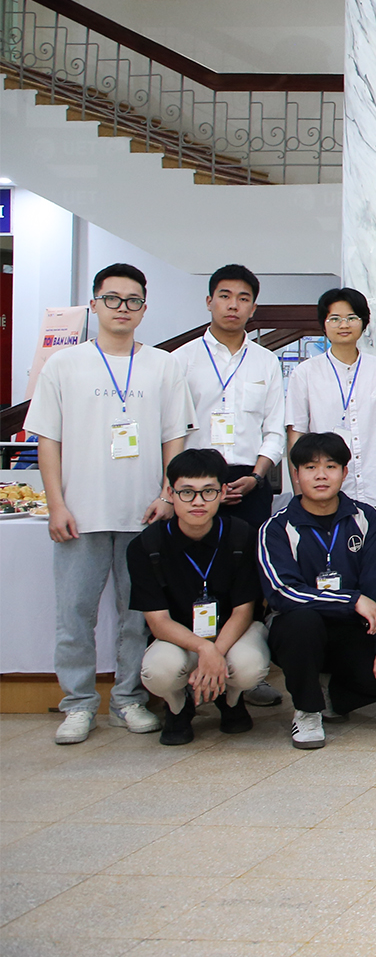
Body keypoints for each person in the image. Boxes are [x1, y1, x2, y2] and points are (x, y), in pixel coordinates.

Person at [29, 262, 194, 744]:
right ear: (94, 304)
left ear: (144, 308)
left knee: (136, 616)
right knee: (74, 615)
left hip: (144, 515)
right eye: (113, 299)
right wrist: (56, 504)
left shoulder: (163, 365)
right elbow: (48, 441)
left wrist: (167, 496)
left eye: (133, 300)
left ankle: (127, 700)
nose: (123, 308)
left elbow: (174, 438)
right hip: (79, 515)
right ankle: (78, 704)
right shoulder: (64, 365)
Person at [258, 432, 376, 748]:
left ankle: (329, 695)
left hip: (350, 630)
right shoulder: (276, 527)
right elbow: (283, 592)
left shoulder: (365, 518)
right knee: (302, 622)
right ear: (296, 474)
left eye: (331, 466)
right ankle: (307, 710)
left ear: (344, 472)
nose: (321, 475)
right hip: (298, 630)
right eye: (310, 467)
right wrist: (351, 600)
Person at [130, 448, 266, 746]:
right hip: (178, 636)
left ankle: (231, 700)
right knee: (159, 671)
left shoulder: (242, 535)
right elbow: (158, 622)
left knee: (249, 665)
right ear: (170, 493)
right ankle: (178, 707)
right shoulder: (146, 546)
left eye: (208, 491)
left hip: (232, 632)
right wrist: (205, 650)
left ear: (223, 492)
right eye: (187, 492)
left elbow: (243, 611)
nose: (198, 502)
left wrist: (216, 651)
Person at [171, 264, 287, 530]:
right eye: (225, 296)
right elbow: (171, 430)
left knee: (249, 554)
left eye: (243, 299)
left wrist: (256, 477)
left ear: (253, 308)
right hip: (194, 484)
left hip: (250, 479)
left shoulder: (267, 362)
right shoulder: (181, 360)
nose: (233, 305)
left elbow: (274, 430)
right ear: (209, 302)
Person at [287, 287, 376, 520]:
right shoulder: (305, 373)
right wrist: (300, 492)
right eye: (335, 319)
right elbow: (296, 434)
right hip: (322, 492)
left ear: (364, 322)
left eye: (351, 318)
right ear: (323, 324)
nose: (344, 325)